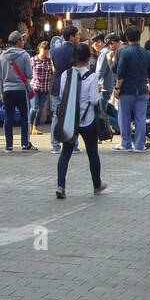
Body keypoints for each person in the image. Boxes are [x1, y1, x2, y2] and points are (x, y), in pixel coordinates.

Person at [53, 42, 108, 200]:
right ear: (89, 58)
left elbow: (63, 96)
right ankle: (97, 185)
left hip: (70, 120)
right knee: (92, 153)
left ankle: (61, 186)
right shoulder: (91, 76)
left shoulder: (65, 75)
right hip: (87, 120)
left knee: (65, 153)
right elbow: (95, 100)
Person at [113, 25, 150, 152]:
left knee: (124, 117)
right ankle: (139, 145)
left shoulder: (124, 52)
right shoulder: (147, 53)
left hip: (127, 90)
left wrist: (117, 89)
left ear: (127, 38)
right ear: (139, 37)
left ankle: (126, 144)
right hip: (142, 89)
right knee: (140, 118)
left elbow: (120, 74)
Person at [0, 31, 36, 152]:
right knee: (25, 117)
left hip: (7, 90)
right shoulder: (24, 55)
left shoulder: (2, 56)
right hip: (21, 90)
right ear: (18, 41)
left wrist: (1, 92)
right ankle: (25, 143)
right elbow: (29, 74)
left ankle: (9, 145)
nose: (23, 42)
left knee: (8, 117)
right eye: (22, 40)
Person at [48, 24, 79, 154]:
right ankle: (73, 144)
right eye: (77, 35)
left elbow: (55, 67)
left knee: (57, 115)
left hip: (56, 85)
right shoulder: (78, 51)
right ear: (71, 37)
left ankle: (55, 145)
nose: (78, 37)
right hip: (72, 85)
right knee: (73, 115)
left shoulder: (55, 51)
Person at [95, 32, 120, 125]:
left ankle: (121, 127)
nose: (93, 46)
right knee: (111, 111)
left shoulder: (104, 53)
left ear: (100, 42)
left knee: (102, 113)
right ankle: (123, 127)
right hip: (110, 86)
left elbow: (100, 72)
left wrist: (94, 83)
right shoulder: (109, 52)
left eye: (94, 43)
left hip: (104, 87)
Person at [29, 41, 54, 133]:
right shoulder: (33, 60)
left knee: (40, 109)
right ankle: (29, 125)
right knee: (35, 107)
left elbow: (53, 72)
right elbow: (28, 73)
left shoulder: (49, 61)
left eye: (47, 49)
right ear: (39, 48)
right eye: (44, 49)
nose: (46, 51)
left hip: (45, 89)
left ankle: (35, 127)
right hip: (35, 87)